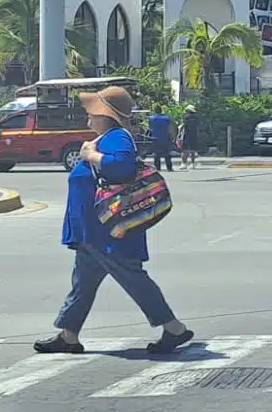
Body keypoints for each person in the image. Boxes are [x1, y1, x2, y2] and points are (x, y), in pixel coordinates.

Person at [35, 85, 194, 356]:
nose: (88, 117)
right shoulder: (107, 137)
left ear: (105, 115)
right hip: (94, 231)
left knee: (133, 279)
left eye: (92, 112)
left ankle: (174, 328)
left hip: (108, 230)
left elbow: (122, 166)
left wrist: (90, 156)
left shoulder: (116, 137)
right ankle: (69, 335)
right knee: (83, 282)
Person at [147, 108, 174, 172]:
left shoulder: (151, 118)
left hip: (155, 138)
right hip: (165, 138)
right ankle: (169, 168)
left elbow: (150, 128)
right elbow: (170, 128)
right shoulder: (166, 118)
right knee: (167, 154)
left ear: (155, 111)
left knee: (156, 154)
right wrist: (172, 136)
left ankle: (157, 168)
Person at [179, 105, 199, 169]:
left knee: (184, 150)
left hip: (186, 134)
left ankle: (184, 164)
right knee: (193, 150)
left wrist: (179, 132)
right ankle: (193, 164)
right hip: (194, 135)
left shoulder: (186, 117)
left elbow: (183, 125)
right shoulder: (196, 117)